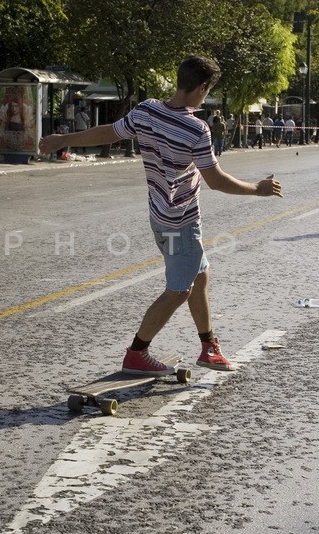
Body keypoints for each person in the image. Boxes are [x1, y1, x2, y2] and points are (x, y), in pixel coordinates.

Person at [38, 55, 283, 375]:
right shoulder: (197, 129)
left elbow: (108, 133)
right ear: (202, 87)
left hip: (159, 214)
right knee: (179, 290)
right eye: (209, 90)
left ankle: (208, 345)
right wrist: (257, 189)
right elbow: (216, 180)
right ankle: (137, 353)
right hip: (180, 221)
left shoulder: (146, 110)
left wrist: (63, 140)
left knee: (200, 276)